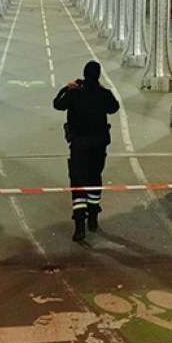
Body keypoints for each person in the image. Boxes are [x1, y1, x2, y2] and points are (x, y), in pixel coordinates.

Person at [52, 60, 119, 241]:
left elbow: (57, 104)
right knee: (95, 178)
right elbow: (114, 107)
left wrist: (66, 88)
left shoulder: (74, 93)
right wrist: (102, 88)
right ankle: (94, 218)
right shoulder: (103, 94)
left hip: (79, 144)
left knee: (78, 181)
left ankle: (79, 225)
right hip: (99, 143)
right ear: (98, 76)